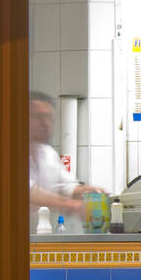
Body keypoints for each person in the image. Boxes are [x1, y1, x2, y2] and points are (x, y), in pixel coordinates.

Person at [29, 91, 103, 232]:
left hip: (43, 241)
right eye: (38, 117)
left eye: (49, 117)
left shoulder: (48, 154)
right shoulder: (7, 155)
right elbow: (28, 193)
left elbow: (67, 186)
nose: (46, 123)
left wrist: (88, 191)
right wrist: (72, 205)